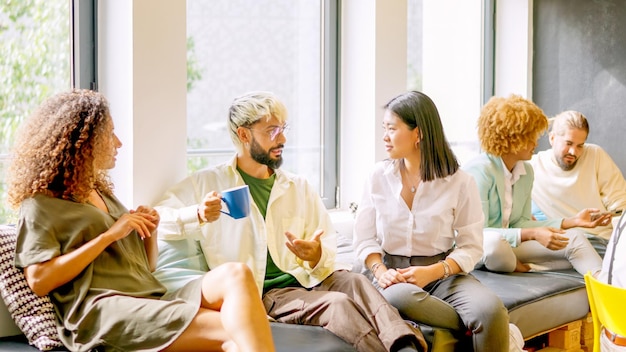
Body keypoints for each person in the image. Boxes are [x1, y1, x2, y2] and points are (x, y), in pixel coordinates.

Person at [154, 91, 427, 352]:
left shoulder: (298, 186)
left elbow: (326, 249)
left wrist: (315, 254)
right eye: (272, 131)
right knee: (337, 304)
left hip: (311, 277)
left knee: (356, 282)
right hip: (269, 293)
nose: (282, 137)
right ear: (243, 134)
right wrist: (198, 215)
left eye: (283, 128)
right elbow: (159, 218)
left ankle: (404, 344)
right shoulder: (209, 182)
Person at [7, 89, 275, 352]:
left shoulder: (103, 194)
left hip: (149, 296)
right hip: (104, 309)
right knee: (234, 331)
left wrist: (151, 232)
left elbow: (148, 266)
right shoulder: (41, 204)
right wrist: (109, 236)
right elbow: (39, 280)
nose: (118, 143)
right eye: (109, 134)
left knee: (236, 274)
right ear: (83, 140)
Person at [352, 90, 512, 352]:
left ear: (419, 133)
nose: (385, 136)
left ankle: (480, 321)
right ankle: (470, 324)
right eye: (384, 128)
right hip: (390, 275)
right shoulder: (377, 176)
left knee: (491, 311)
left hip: (442, 274)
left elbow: (471, 246)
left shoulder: (460, 182)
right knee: (398, 294)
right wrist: (381, 272)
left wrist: (433, 272)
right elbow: (364, 238)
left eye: (392, 129)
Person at [463, 95, 606, 276]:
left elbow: (520, 222)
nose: (536, 142)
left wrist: (572, 221)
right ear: (511, 137)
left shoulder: (526, 172)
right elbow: (478, 233)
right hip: (480, 247)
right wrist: (532, 234)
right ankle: (520, 266)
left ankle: (608, 291)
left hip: (509, 245)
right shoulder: (479, 171)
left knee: (575, 238)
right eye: (530, 136)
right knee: (494, 243)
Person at [530, 110, 626, 257]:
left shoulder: (595, 155)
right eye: (568, 143)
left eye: (580, 145)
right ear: (552, 138)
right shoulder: (533, 167)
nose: (573, 152)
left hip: (602, 241)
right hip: (565, 243)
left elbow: (620, 204)